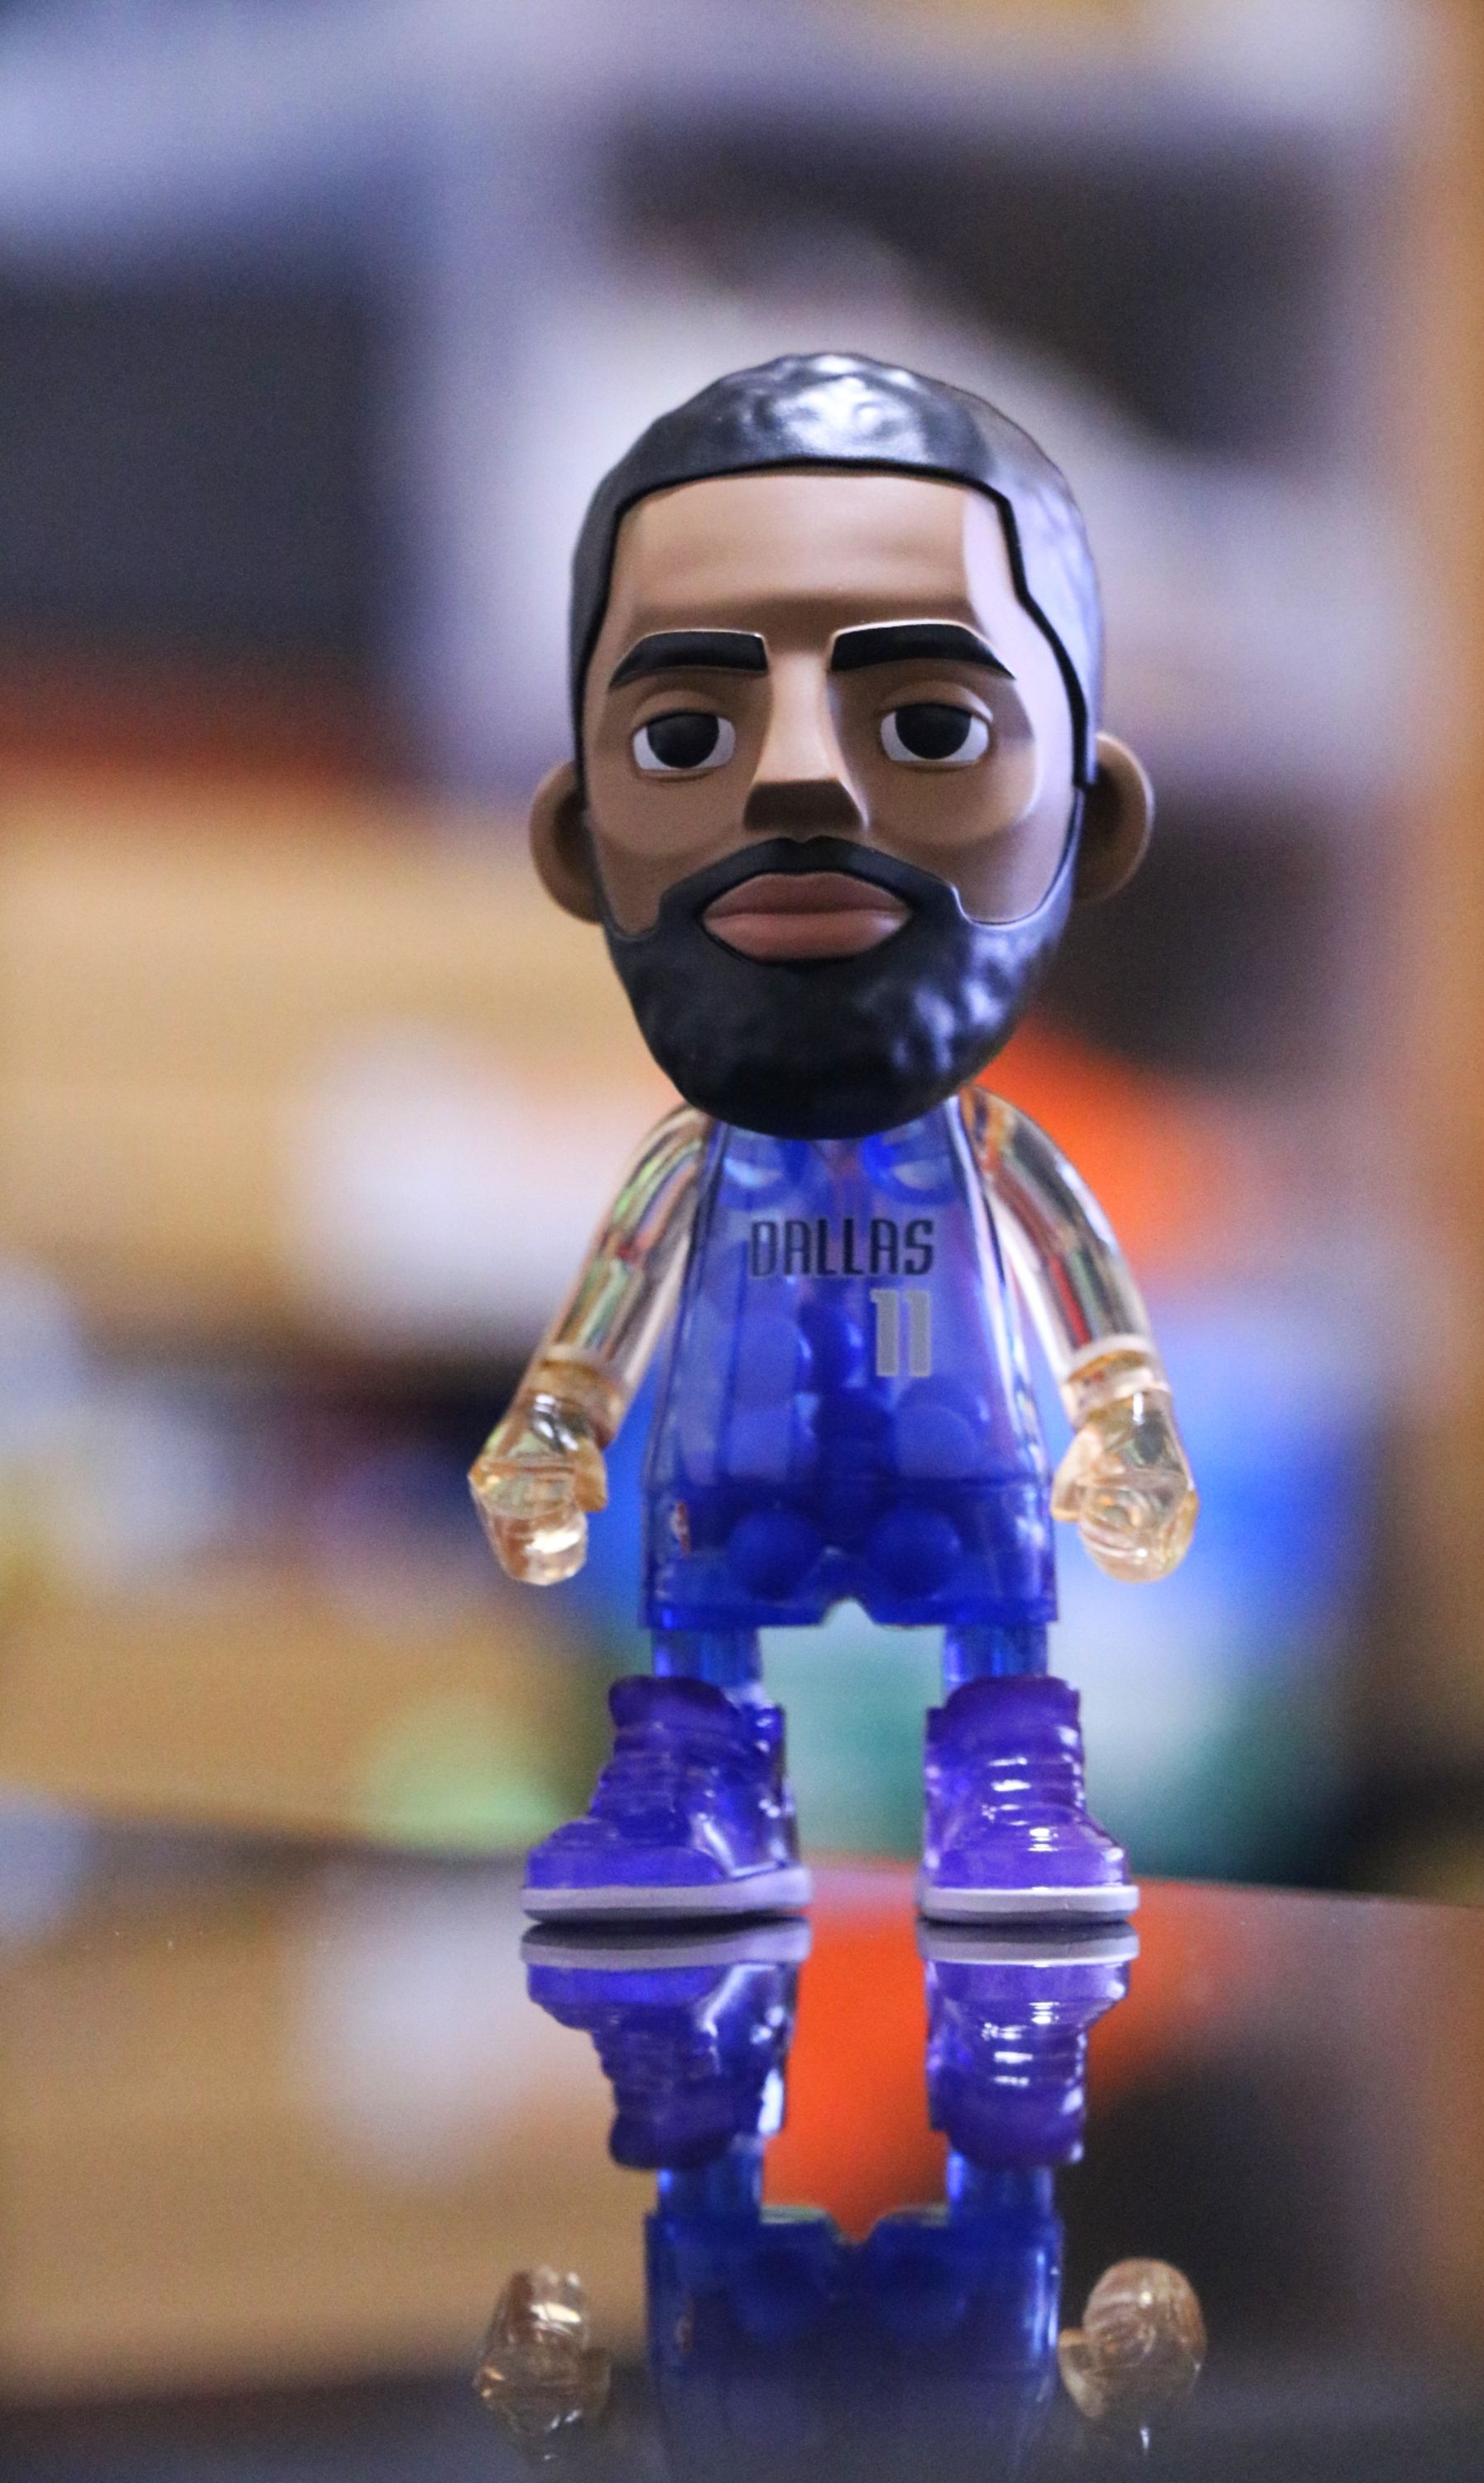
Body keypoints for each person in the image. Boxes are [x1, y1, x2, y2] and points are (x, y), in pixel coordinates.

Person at [471, 352, 1196, 1922]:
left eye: (929, 724)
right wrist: (558, 1422)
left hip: (959, 1454)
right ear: (576, 843)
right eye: (684, 738)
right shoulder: (696, 1159)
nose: (800, 774)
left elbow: (1077, 1270)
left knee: (1000, 1634)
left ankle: (1012, 1795)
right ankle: (688, 1794)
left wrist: (1126, 1417)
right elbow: (615, 1290)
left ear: (1094, 817)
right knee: (695, 1643)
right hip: (736, 1463)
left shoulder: (990, 1149)